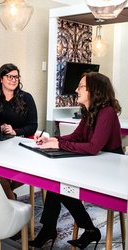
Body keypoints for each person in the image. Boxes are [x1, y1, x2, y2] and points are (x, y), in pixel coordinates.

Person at [29, 72, 123, 249]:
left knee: (61, 185)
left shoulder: (107, 112)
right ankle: (65, 229)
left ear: (94, 90)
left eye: (80, 86)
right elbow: (77, 136)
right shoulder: (90, 112)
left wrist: (58, 143)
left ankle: (67, 229)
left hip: (110, 171)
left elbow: (93, 147)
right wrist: (53, 140)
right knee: (57, 182)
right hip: (95, 164)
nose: (76, 90)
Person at [0, 63, 38, 199]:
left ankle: (6, 197)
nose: (13, 80)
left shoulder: (27, 98)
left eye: (16, 77)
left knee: (26, 171)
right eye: (9, 77)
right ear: (1, 79)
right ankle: (10, 197)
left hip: (21, 143)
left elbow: (33, 126)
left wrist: (15, 132)